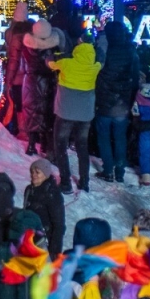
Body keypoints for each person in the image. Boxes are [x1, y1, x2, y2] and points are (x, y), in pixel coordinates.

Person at [48, 40, 101, 192]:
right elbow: (101, 61)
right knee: (82, 147)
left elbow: (50, 62)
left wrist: (60, 54)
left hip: (65, 112)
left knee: (60, 145)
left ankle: (65, 182)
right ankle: (84, 181)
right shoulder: (95, 67)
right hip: (85, 115)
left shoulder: (66, 63)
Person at [94, 20, 140, 183]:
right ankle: (120, 171)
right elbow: (135, 77)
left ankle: (108, 170)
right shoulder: (130, 50)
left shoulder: (103, 50)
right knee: (120, 137)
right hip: (122, 102)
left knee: (104, 137)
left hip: (104, 101)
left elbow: (97, 73)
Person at [20, 19, 65, 156]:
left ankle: (32, 145)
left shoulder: (26, 48)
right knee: (48, 115)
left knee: (32, 114)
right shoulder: (55, 50)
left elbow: (22, 68)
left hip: (30, 84)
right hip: (49, 84)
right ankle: (47, 147)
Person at [23, 157, 65, 255]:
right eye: (32, 172)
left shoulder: (52, 194)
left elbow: (59, 225)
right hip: (28, 240)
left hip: (44, 243)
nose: (34, 175)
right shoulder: (29, 190)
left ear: (45, 175)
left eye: (37, 172)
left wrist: (54, 252)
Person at [4, 1, 32, 137]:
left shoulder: (14, 36)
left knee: (18, 104)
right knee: (27, 104)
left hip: (18, 77)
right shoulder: (31, 34)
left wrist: (8, 79)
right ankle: (27, 130)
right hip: (30, 75)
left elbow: (14, 60)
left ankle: (22, 131)